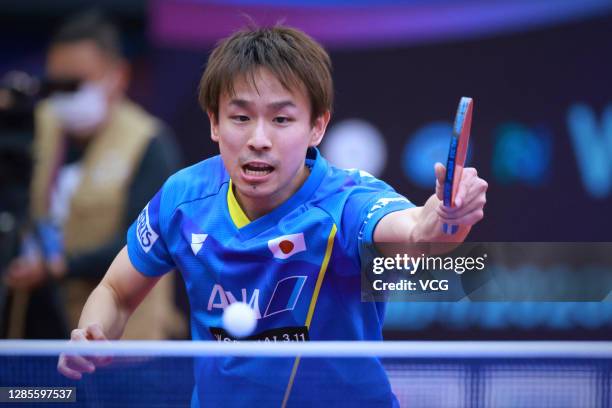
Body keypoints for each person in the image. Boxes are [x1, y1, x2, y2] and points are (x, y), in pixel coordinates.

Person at [58, 25, 488, 406]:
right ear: (214, 123)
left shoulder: (346, 201)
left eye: (281, 119)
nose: (258, 139)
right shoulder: (184, 199)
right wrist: (93, 331)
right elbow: (116, 289)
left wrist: (444, 220)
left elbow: (415, 237)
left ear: (317, 127)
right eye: (240, 117)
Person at [3, 12, 185, 340]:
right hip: (42, 326)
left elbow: (143, 244)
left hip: (123, 341)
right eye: (57, 83)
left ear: (118, 76)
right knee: (34, 395)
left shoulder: (149, 142)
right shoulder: (38, 127)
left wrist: (58, 267)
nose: (65, 95)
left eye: (77, 83)